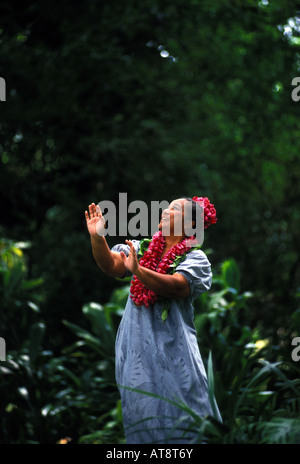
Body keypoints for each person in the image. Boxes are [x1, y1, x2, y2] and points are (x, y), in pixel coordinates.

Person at [85, 196, 221, 444]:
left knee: (188, 417)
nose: (166, 211)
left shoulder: (196, 259)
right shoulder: (141, 248)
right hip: (137, 354)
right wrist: (97, 237)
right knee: (142, 421)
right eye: (166, 207)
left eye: (175, 209)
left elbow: (177, 287)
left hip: (175, 354)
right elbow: (112, 265)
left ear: (191, 224)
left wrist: (138, 270)